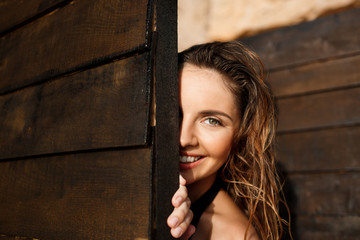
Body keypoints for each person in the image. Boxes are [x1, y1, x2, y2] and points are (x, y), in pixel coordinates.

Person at [167, 41, 290, 240]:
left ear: (240, 135)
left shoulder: (236, 236)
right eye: (175, 113)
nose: (183, 139)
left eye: (211, 121)